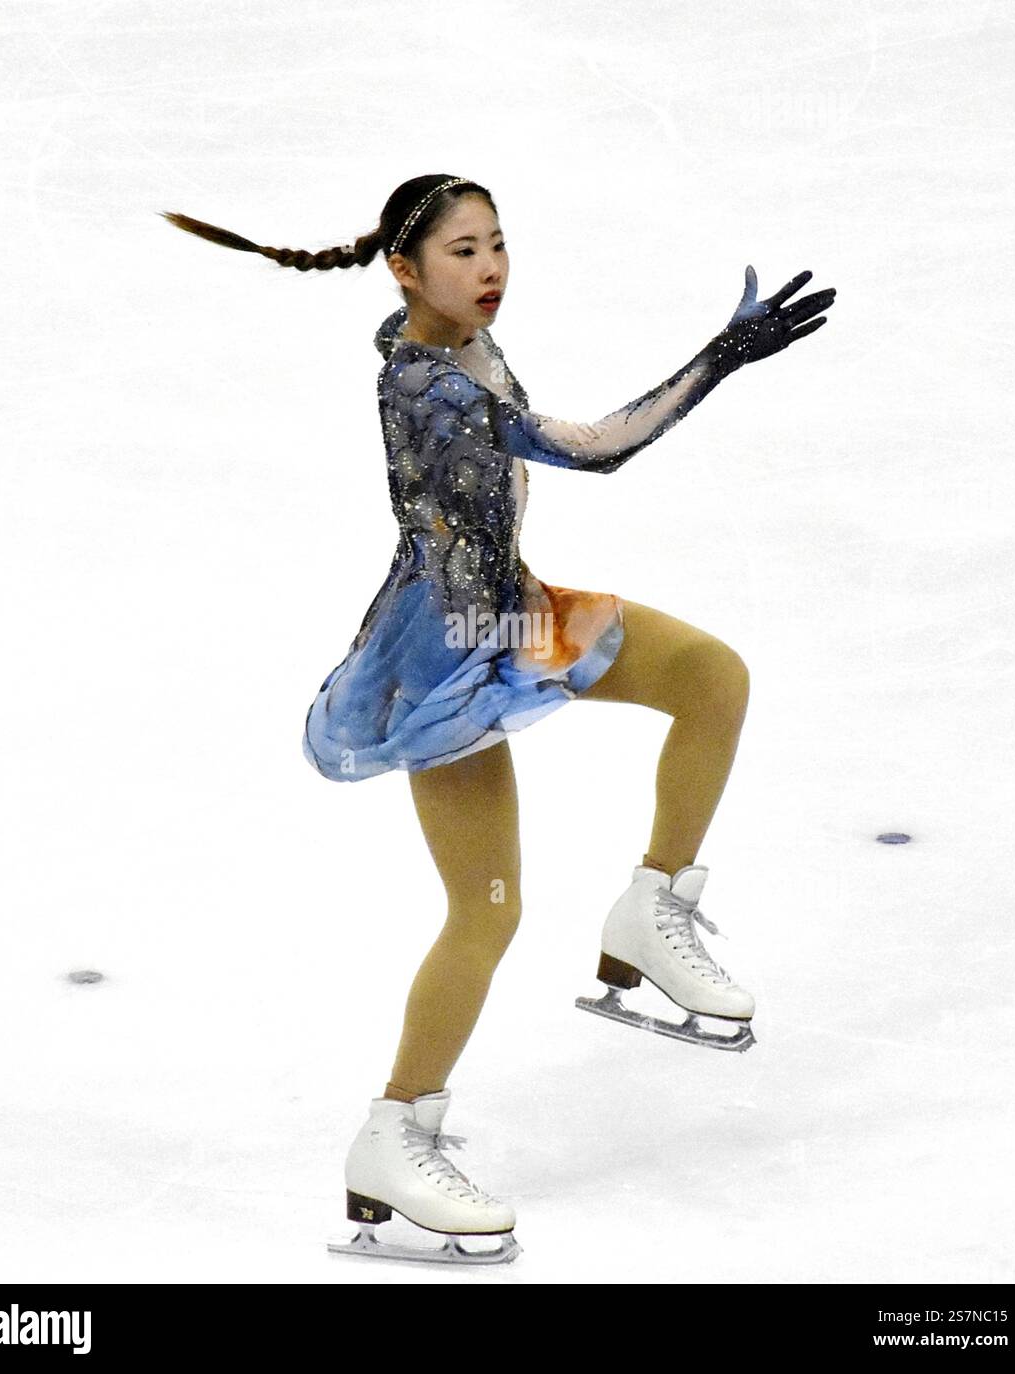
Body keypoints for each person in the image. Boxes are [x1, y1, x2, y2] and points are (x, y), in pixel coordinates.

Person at [160, 176, 836, 1265]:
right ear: (404, 269)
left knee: (710, 677)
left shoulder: (449, 337)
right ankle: (393, 1131)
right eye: (463, 251)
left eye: (498, 245)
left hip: (508, 610)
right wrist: (718, 356)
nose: (490, 269)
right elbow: (591, 446)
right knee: (486, 909)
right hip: (449, 653)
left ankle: (650, 909)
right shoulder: (426, 383)